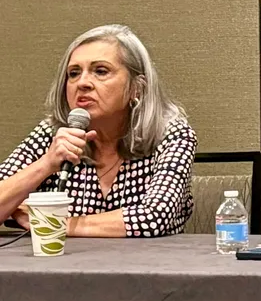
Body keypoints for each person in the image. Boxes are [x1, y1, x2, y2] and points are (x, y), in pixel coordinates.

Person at [0, 25, 196, 237]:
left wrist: (49, 222)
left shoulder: (171, 134)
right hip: (62, 267)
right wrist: (46, 164)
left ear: (136, 88)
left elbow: (154, 217)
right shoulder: (52, 133)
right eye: (73, 73)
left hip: (149, 266)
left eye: (101, 71)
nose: (82, 83)